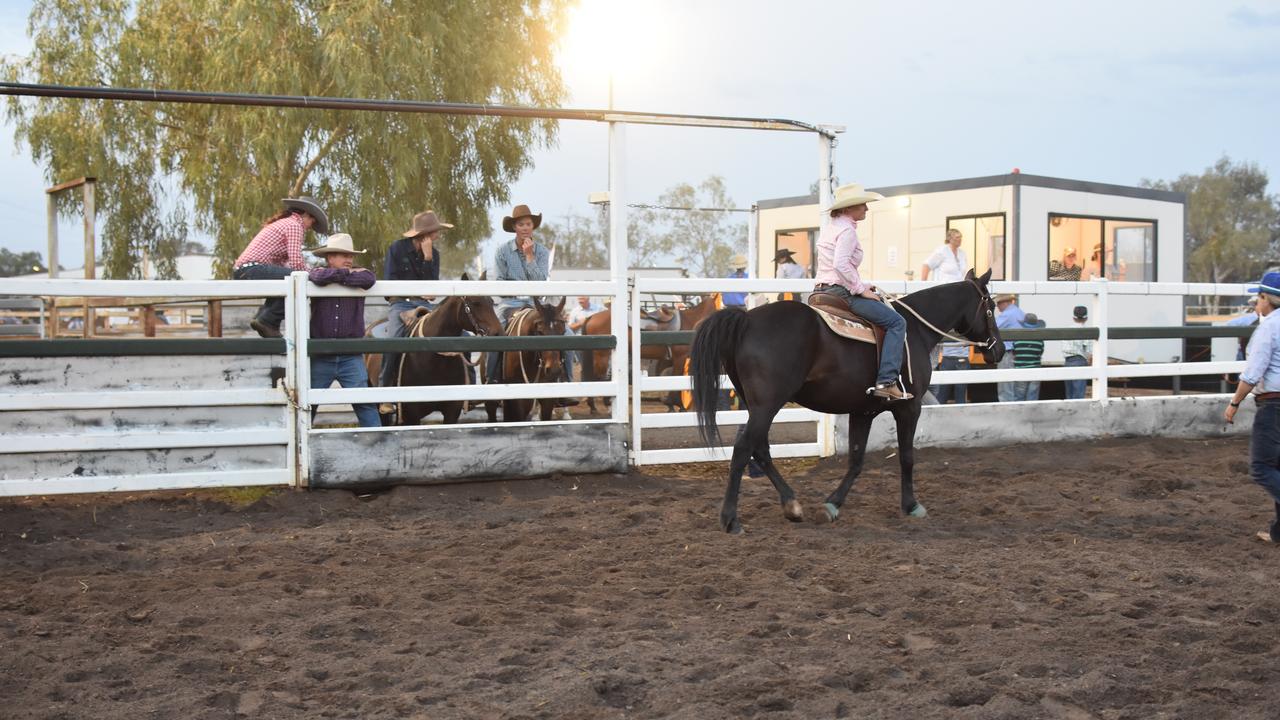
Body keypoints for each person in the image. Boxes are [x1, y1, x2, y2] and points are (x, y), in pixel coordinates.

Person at [813, 183, 911, 401]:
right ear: (850, 208)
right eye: (863, 204)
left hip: (821, 289)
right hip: (840, 292)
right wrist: (860, 289)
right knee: (897, 323)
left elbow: (834, 267)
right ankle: (887, 381)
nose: (866, 208)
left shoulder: (831, 228)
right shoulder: (847, 231)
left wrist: (862, 285)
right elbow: (840, 265)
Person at [1224, 271, 1280, 544]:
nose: (1257, 304)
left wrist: (1235, 401)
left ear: (1266, 299)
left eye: (1258, 298)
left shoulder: (1268, 327)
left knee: (1261, 467)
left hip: (1273, 403)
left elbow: (1252, 372)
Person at [306, 233, 380, 428]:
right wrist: (345, 276)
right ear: (330, 258)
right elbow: (316, 276)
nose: (349, 259)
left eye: (351, 256)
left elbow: (369, 278)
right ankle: (299, 447)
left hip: (351, 354)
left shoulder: (359, 275)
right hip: (321, 353)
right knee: (308, 404)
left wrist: (339, 276)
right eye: (343, 255)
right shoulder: (320, 273)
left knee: (365, 405)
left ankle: (378, 443)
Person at [233, 196, 330, 338]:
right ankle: (268, 320)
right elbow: (296, 262)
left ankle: (264, 318)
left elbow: (285, 264)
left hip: (246, 270)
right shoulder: (295, 226)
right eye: (312, 220)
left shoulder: (285, 223)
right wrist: (313, 274)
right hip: (252, 269)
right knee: (299, 280)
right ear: (306, 214)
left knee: (286, 278)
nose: (310, 225)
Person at [379, 210, 451, 390]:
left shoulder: (433, 254)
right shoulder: (397, 248)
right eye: (436, 230)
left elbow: (432, 288)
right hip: (400, 303)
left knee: (457, 335)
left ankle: (467, 388)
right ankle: (384, 389)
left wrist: (427, 258)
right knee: (393, 341)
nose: (438, 234)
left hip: (425, 304)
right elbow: (390, 282)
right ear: (425, 234)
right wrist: (416, 292)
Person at [923, 229, 971, 404]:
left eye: (961, 237)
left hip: (956, 295)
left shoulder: (962, 254)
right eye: (957, 237)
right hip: (943, 294)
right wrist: (924, 286)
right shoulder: (941, 251)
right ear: (950, 238)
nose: (960, 240)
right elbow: (926, 265)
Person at [994, 293, 1025, 402]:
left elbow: (993, 328)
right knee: (1017, 385)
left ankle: (1006, 409)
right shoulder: (1019, 312)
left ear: (1005, 302)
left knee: (1005, 384)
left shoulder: (1007, 314)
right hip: (1019, 352)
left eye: (998, 303)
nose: (997, 306)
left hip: (1008, 353)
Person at [1009, 313, 1045, 401]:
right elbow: (1040, 352)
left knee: (1019, 396)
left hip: (1020, 370)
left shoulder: (1017, 338)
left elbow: (1014, 352)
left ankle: (1020, 414)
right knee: (1032, 396)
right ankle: (1031, 414)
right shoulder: (1039, 339)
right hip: (1035, 370)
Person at [567, 296, 604, 380]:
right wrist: (580, 323)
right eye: (579, 299)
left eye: (582, 298)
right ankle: (586, 384)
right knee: (585, 365)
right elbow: (569, 328)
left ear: (588, 298)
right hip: (581, 343)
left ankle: (600, 383)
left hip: (597, 342)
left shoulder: (598, 309)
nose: (580, 300)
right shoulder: (575, 311)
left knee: (598, 365)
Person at [1062, 305, 1094, 399]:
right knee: (1079, 393)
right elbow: (1089, 351)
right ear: (1086, 318)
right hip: (1080, 361)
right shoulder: (1087, 331)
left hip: (1068, 361)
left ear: (1073, 317)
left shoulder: (1067, 330)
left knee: (1069, 392)